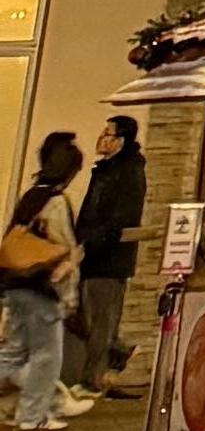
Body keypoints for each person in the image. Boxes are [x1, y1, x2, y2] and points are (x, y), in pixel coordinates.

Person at [1, 135, 90, 428]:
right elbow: (63, 248)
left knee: (13, 354)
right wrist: (70, 290)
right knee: (47, 356)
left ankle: (34, 409)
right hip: (42, 289)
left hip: (16, 286)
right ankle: (33, 416)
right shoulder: (55, 202)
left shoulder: (31, 197)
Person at [69, 110, 147, 398]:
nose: (101, 139)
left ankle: (93, 380)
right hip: (91, 255)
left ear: (122, 140)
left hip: (109, 258)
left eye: (108, 134)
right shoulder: (105, 170)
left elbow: (120, 218)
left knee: (99, 321)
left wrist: (89, 243)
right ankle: (119, 352)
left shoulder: (128, 172)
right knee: (85, 318)